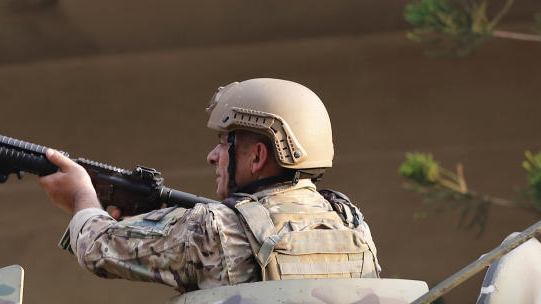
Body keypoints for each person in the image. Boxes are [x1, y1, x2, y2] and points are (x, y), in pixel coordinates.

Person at [38, 78, 381, 292]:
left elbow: (98, 247)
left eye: (223, 142)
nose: (212, 156)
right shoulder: (349, 222)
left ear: (257, 157)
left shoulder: (216, 230)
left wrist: (81, 196)